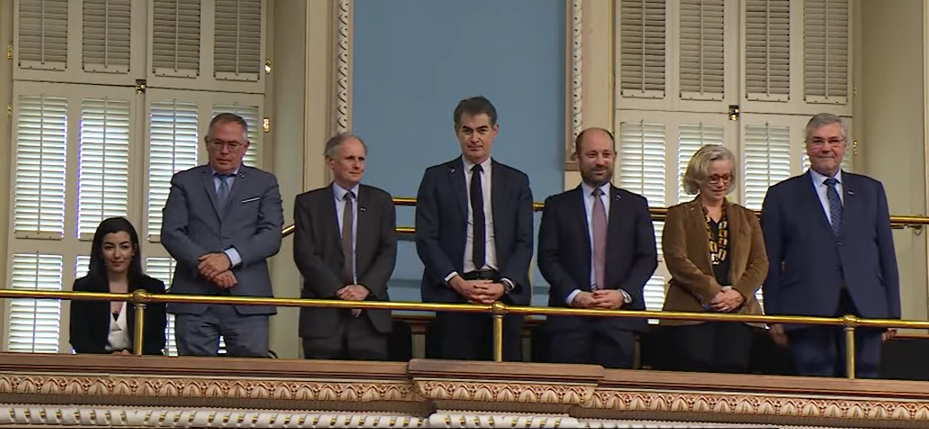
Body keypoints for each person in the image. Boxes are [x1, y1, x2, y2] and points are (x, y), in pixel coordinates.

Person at [761, 113, 900, 378]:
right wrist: (774, 316)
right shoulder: (781, 195)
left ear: (845, 146)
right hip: (806, 309)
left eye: (834, 140)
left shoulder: (871, 190)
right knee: (816, 389)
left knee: (865, 387)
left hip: (866, 307)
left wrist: (892, 313)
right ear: (808, 147)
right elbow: (771, 260)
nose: (826, 148)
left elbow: (886, 255)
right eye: (818, 141)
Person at [415, 96, 534, 361]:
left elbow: (524, 242)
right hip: (454, 294)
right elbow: (426, 239)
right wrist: (457, 282)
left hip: (503, 296)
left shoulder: (515, 181)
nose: (475, 138)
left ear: (495, 131)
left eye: (482, 130)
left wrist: (503, 285)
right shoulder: (436, 178)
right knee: (455, 385)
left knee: (503, 386)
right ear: (456, 131)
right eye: (467, 130)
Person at [160, 113, 284, 357]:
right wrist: (209, 265)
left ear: (245, 147)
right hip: (195, 297)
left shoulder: (264, 183)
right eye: (218, 143)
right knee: (194, 382)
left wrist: (228, 259)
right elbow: (172, 232)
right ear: (207, 143)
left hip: (247, 299)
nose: (224, 151)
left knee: (250, 382)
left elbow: (271, 235)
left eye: (232, 145)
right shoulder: (185, 181)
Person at [537, 127, 657, 368]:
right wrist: (575, 295)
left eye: (606, 154)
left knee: (614, 399)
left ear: (615, 156)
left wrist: (621, 294)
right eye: (592, 154)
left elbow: (647, 258)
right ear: (578, 158)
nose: (600, 161)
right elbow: (548, 258)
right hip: (570, 319)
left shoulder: (635, 205)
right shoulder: (557, 205)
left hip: (619, 319)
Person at [660, 145, 769, 373]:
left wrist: (738, 293)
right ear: (698, 179)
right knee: (693, 375)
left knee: (735, 373)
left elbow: (760, 263)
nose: (721, 184)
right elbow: (676, 260)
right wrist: (713, 293)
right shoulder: (678, 215)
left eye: (727, 177)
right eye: (714, 178)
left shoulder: (747, 217)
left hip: (739, 312)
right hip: (690, 312)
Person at [294, 133, 397, 360]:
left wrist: (363, 290)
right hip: (323, 315)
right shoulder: (309, 203)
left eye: (361, 159)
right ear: (330, 161)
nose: (357, 165)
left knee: (371, 389)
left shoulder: (381, 201)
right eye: (350, 158)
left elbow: (388, 251)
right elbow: (305, 254)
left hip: (370, 316)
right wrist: (340, 293)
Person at [70, 217, 167, 355]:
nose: (117, 255)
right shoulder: (84, 287)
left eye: (124, 247)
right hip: (95, 368)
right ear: (99, 252)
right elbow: (79, 340)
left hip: (141, 367)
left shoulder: (153, 287)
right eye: (109, 247)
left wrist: (133, 356)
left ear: (133, 250)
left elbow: (157, 340)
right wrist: (107, 358)